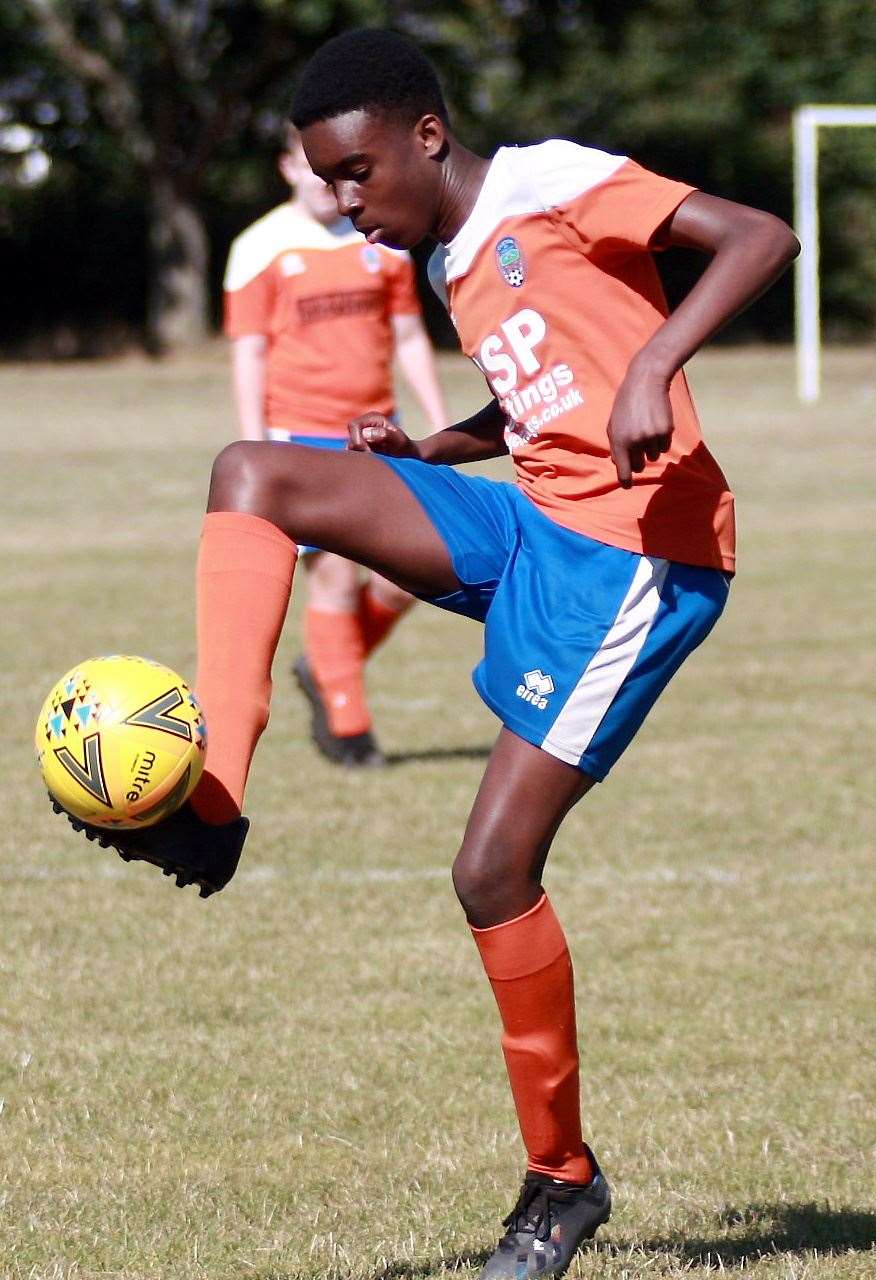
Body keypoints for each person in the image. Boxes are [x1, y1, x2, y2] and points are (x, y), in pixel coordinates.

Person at [57, 27, 798, 1278]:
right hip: (536, 520)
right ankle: (217, 798)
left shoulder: (550, 181)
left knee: (491, 869)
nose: (346, 205)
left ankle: (562, 1184)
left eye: (357, 175)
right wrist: (441, 447)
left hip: (634, 559)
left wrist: (659, 368)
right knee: (254, 469)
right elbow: (548, 385)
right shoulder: (452, 252)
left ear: (428, 137)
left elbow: (759, 238)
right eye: (325, 180)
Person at [224, 125, 450, 766]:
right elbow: (250, 351)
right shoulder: (259, 248)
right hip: (299, 434)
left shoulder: (381, 238)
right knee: (335, 578)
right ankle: (350, 733)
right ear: (288, 169)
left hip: (379, 434)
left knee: (411, 577)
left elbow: (409, 338)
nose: (327, 187)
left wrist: (435, 421)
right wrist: (253, 441)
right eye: (311, 169)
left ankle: (326, 664)